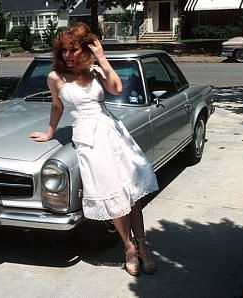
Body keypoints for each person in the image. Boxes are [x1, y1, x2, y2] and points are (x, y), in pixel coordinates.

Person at [29, 23, 159, 276]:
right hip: (88, 139)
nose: (68, 55)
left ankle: (143, 245)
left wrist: (102, 58)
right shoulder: (55, 78)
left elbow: (117, 89)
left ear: (84, 49)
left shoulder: (95, 71)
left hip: (112, 133)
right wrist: (49, 133)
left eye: (74, 49)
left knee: (131, 193)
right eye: (64, 50)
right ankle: (128, 247)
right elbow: (57, 107)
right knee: (113, 195)